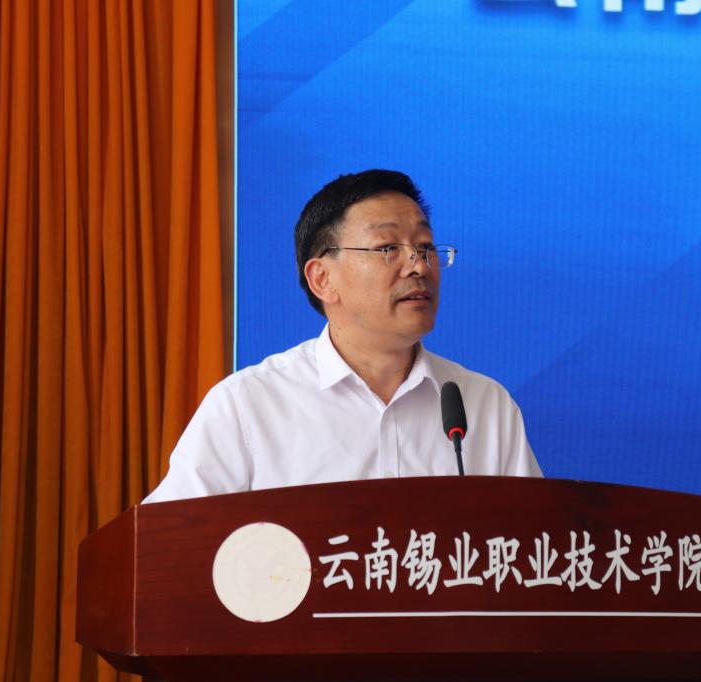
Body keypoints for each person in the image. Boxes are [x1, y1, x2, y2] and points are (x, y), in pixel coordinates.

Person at [143, 170, 541, 503]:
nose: (418, 266)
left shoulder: (485, 406)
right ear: (322, 279)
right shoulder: (248, 407)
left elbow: (535, 549)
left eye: (424, 247)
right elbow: (168, 548)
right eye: (387, 247)